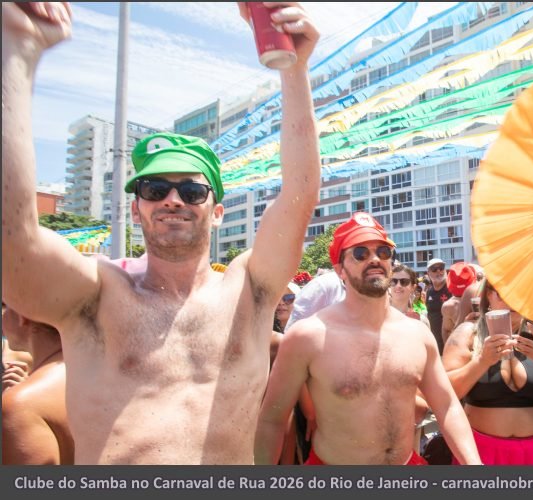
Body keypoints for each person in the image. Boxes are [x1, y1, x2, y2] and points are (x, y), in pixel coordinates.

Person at [2, 2, 321, 464]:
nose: (173, 200)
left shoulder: (249, 290)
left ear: (216, 212)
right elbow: (13, 241)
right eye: (155, 189)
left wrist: (296, 69)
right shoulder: (95, 295)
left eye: (191, 191)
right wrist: (18, 51)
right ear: (137, 210)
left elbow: (300, 194)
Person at [256, 212, 482, 464]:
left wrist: (474, 464)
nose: (375, 259)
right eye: (360, 253)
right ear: (340, 269)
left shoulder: (417, 334)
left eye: (383, 252)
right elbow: (272, 421)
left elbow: (447, 406)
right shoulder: (307, 337)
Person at [442, 279, 533, 464]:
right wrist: (482, 362)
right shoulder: (468, 333)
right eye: (504, 293)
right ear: (489, 295)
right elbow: (445, 393)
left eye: (520, 291)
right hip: (481, 453)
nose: (512, 299)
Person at [2, 307, 73, 464]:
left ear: (22, 316)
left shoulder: (20, 407)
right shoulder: (109, 375)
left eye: (7, 306)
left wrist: (18, 399)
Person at [441, 262, 477, 345]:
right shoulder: (484, 297)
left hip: (461, 346)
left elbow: (446, 331)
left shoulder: (448, 306)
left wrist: (450, 351)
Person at [425, 258, 452, 354]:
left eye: (441, 268)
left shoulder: (451, 288)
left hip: (449, 343)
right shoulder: (429, 292)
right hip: (435, 343)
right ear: (428, 273)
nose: (438, 271)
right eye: (434, 269)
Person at [389, 264, 430, 329]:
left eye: (404, 282)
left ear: (413, 287)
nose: (398, 285)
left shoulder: (421, 321)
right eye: (394, 281)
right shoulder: (378, 318)